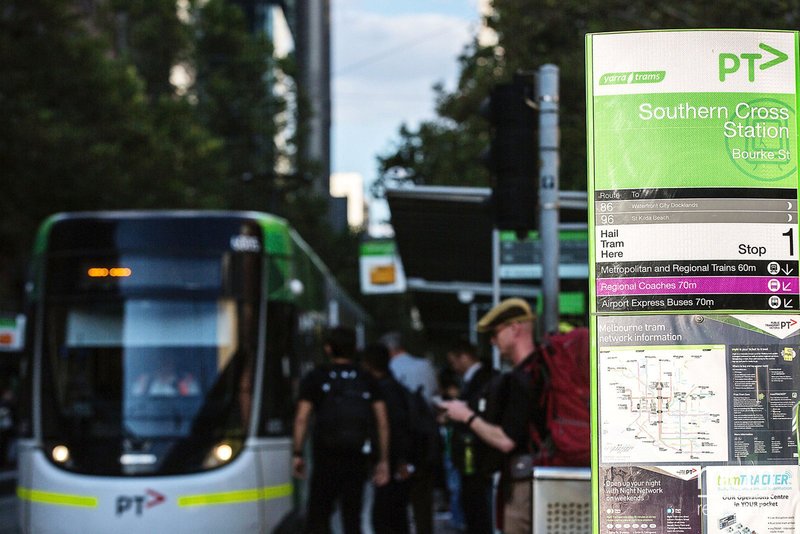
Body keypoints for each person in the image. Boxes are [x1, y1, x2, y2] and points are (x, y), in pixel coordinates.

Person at [440, 298, 542, 534]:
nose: (493, 342)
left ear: (514, 329)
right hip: (534, 477)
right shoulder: (538, 369)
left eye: (496, 333)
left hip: (523, 482)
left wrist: (466, 416)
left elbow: (506, 440)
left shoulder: (522, 377)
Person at [292, 327, 390, 534]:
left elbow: (302, 418)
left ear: (328, 349)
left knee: (319, 514)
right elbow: (382, 422)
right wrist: (383, 460)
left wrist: (298, 453)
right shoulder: (367, 379)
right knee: (351, 516)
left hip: (325, 457)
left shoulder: (316, 377)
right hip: (356, 458)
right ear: (355, 349)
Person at [379, 331, 439, 534]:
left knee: (397, 504)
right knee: (423, 504)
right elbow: (433, 400)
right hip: (425, 444)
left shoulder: (387, 372)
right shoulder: (425, 366)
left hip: (399, 446)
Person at [446, 340, 499, 534]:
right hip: (476, 452)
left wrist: (461, 414)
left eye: (454, 362)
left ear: (464, 357)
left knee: (476, 507)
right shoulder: (484, 377)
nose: (454, 368)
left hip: (476, 452)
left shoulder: (481, 380)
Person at [362, 342, 412, 534]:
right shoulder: (395, 387)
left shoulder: (383, 391)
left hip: (391, 463)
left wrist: (393, 460)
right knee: (396, 516)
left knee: (384, 518)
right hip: (396, 462)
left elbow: (391, 427)